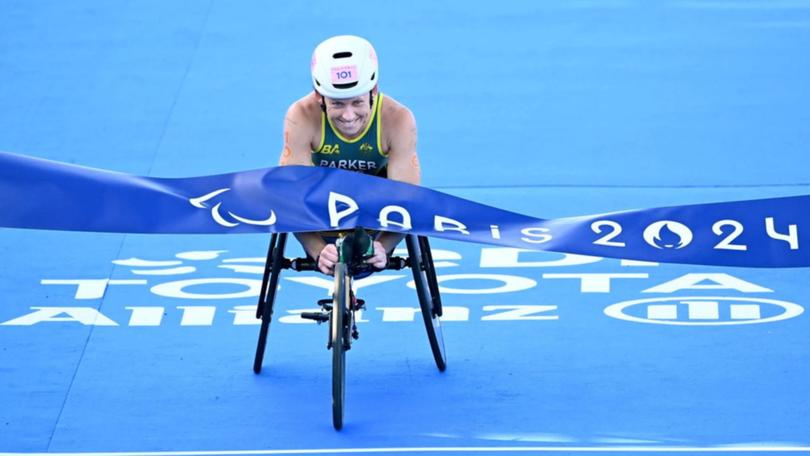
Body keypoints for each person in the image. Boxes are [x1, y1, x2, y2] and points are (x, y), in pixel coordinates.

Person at [279, 35, 421, 276]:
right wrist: (317, 249)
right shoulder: (300, 115)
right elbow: (290, 199)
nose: (348, 116)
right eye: (337, 104)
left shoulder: (398, 119)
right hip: (320, 214)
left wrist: (383, 247)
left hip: (375, 215)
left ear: (373, 92)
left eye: (357, 102)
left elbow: (408, 201)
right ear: (319, 96)